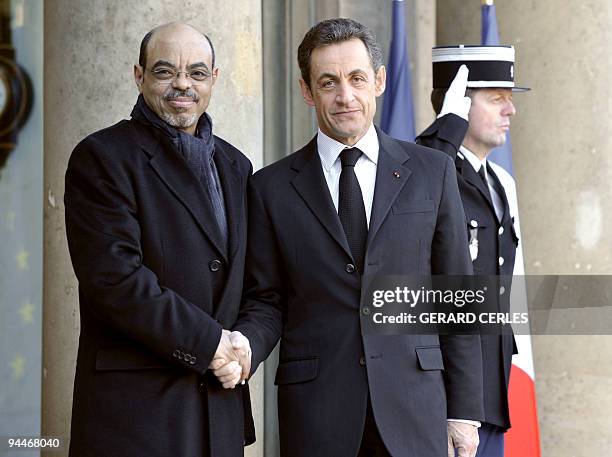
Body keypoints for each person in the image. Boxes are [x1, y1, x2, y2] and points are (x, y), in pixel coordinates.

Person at [215, 18, 484, 457]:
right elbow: (267, 299)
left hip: (415, 408)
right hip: (317, 414)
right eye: (328, 82)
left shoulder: (432, 171)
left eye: (357, 78)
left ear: (378, 81)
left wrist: (464, 413)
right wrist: (244, 347)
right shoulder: (269, 188)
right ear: (306, 90)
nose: (345, 96)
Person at [64, 22, 253, 457]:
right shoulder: (102, 157)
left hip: (218, 413)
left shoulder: (235, 165)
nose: (182, 84)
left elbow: (259, 284)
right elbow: (115, 281)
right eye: (165, 71)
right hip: (136, 419)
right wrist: (211, 344)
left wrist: (245, 348)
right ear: (139, 75)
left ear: (215, 80)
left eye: (198, 73)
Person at [417, 45, 530, 457]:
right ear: (459, 104)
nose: (510, 111)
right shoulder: (431, 164)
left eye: (511, 99)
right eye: (496, 98)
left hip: (489, 395)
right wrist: (445, 128)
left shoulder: (500, 182)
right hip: (439, 398)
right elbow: (415, 195)